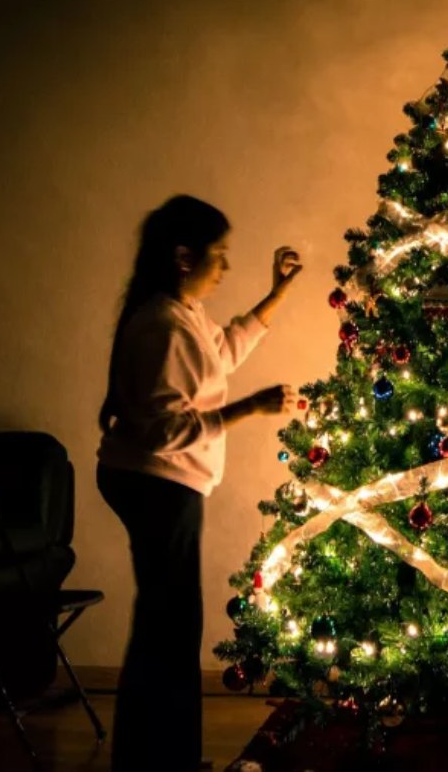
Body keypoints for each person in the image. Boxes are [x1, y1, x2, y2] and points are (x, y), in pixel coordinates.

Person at [95, 195, 302, 771]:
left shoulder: (182, 314)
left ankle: (158, 757)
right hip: (158, 483)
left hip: (160, 481)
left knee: (168, 625)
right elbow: (165, 432)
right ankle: (160, 760)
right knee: (170, 631)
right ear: (185, 258)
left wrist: (277, 291)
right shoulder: (162, 324)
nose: (226, 268)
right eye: (221, 255)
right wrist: (248, 409)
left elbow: (222, 350)